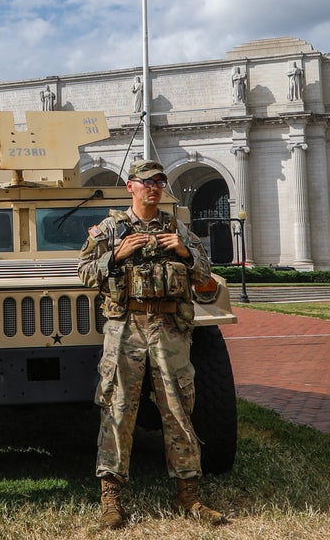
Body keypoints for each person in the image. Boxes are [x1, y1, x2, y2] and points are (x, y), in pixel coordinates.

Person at [78, 159, 227, 530]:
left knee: (178, 407)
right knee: (118, 407)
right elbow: (83, 272)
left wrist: (186, 253)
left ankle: (189, 495)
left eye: (160, 182)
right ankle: (111, 498)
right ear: (131, 186)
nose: (154, 188)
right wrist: (116, 255)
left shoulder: (177, 230)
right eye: (147, 182)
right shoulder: (110, 230)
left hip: (169, 328)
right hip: (125, 326)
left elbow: (206, 276)